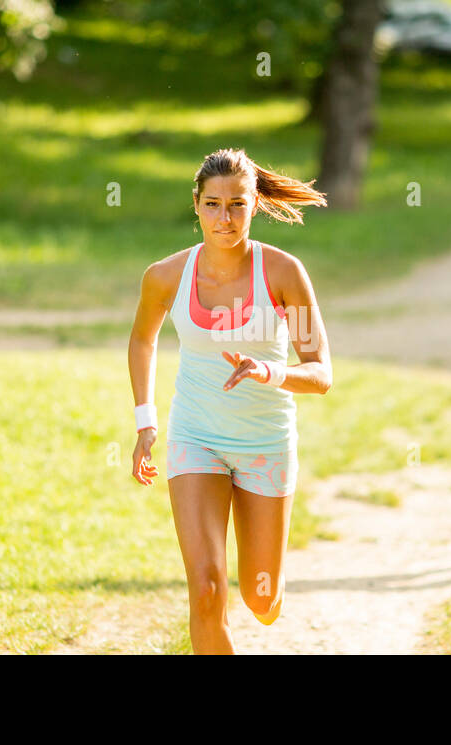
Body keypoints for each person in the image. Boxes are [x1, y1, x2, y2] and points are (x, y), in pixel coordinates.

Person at [127, 148, 332, 653]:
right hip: (197, 440)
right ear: (195, 204)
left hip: (266, 442)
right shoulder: (166, 277)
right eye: (214, 204)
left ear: (255, 204)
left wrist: (270, 370)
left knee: (260, 600)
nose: (225, 218)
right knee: (206, 589)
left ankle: (268, 594)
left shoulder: (284, 274)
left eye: (237, 205)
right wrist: (145, 422)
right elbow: (142, 340)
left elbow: (321, 371)